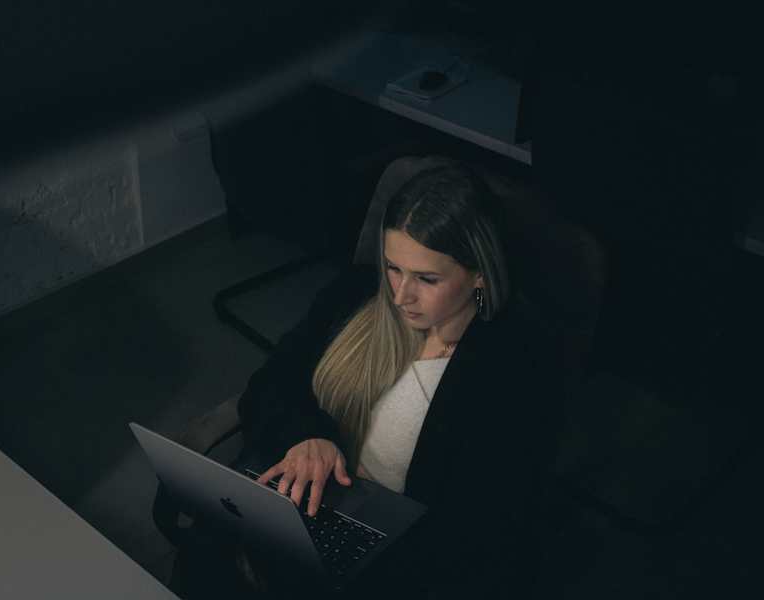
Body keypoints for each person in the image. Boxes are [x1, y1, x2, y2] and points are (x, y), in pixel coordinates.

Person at [169, 162, 551, 600]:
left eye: (427, 279)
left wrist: (360, 554)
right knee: (206, 551)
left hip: (394, 549)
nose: (400, 295)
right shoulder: (354, 294)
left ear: (480, 272)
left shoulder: (504, 374)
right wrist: (310, 435)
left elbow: (481, 524)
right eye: (392, 267)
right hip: (303, 499)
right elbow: (270, 384)